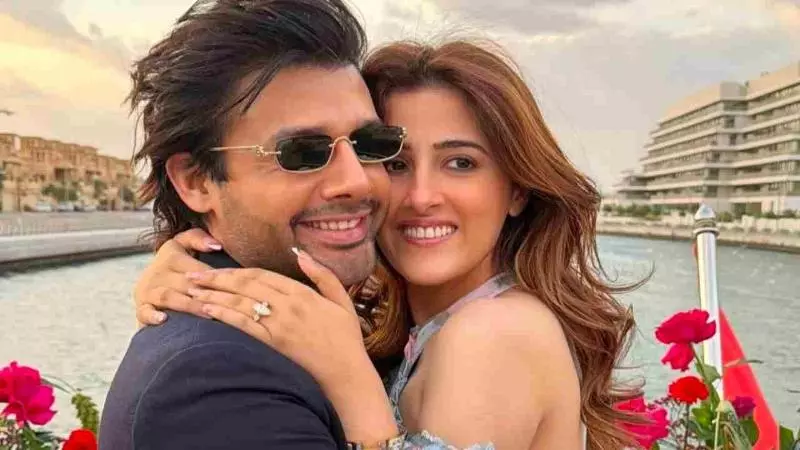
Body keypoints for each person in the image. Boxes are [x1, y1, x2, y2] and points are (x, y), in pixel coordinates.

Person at [133, 37, 644, 449]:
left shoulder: (492, 333)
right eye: (392, 159)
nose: (421, 197)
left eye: (460, 163)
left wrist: (354, 386)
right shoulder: (434, 326)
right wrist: (191, 276)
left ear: (517, 190)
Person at [99, 0, 406, 448]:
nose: (357, 181)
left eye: (370, 143)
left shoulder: (317, 329)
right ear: (196, 181)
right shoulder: (216, 383)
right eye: (302, 152)